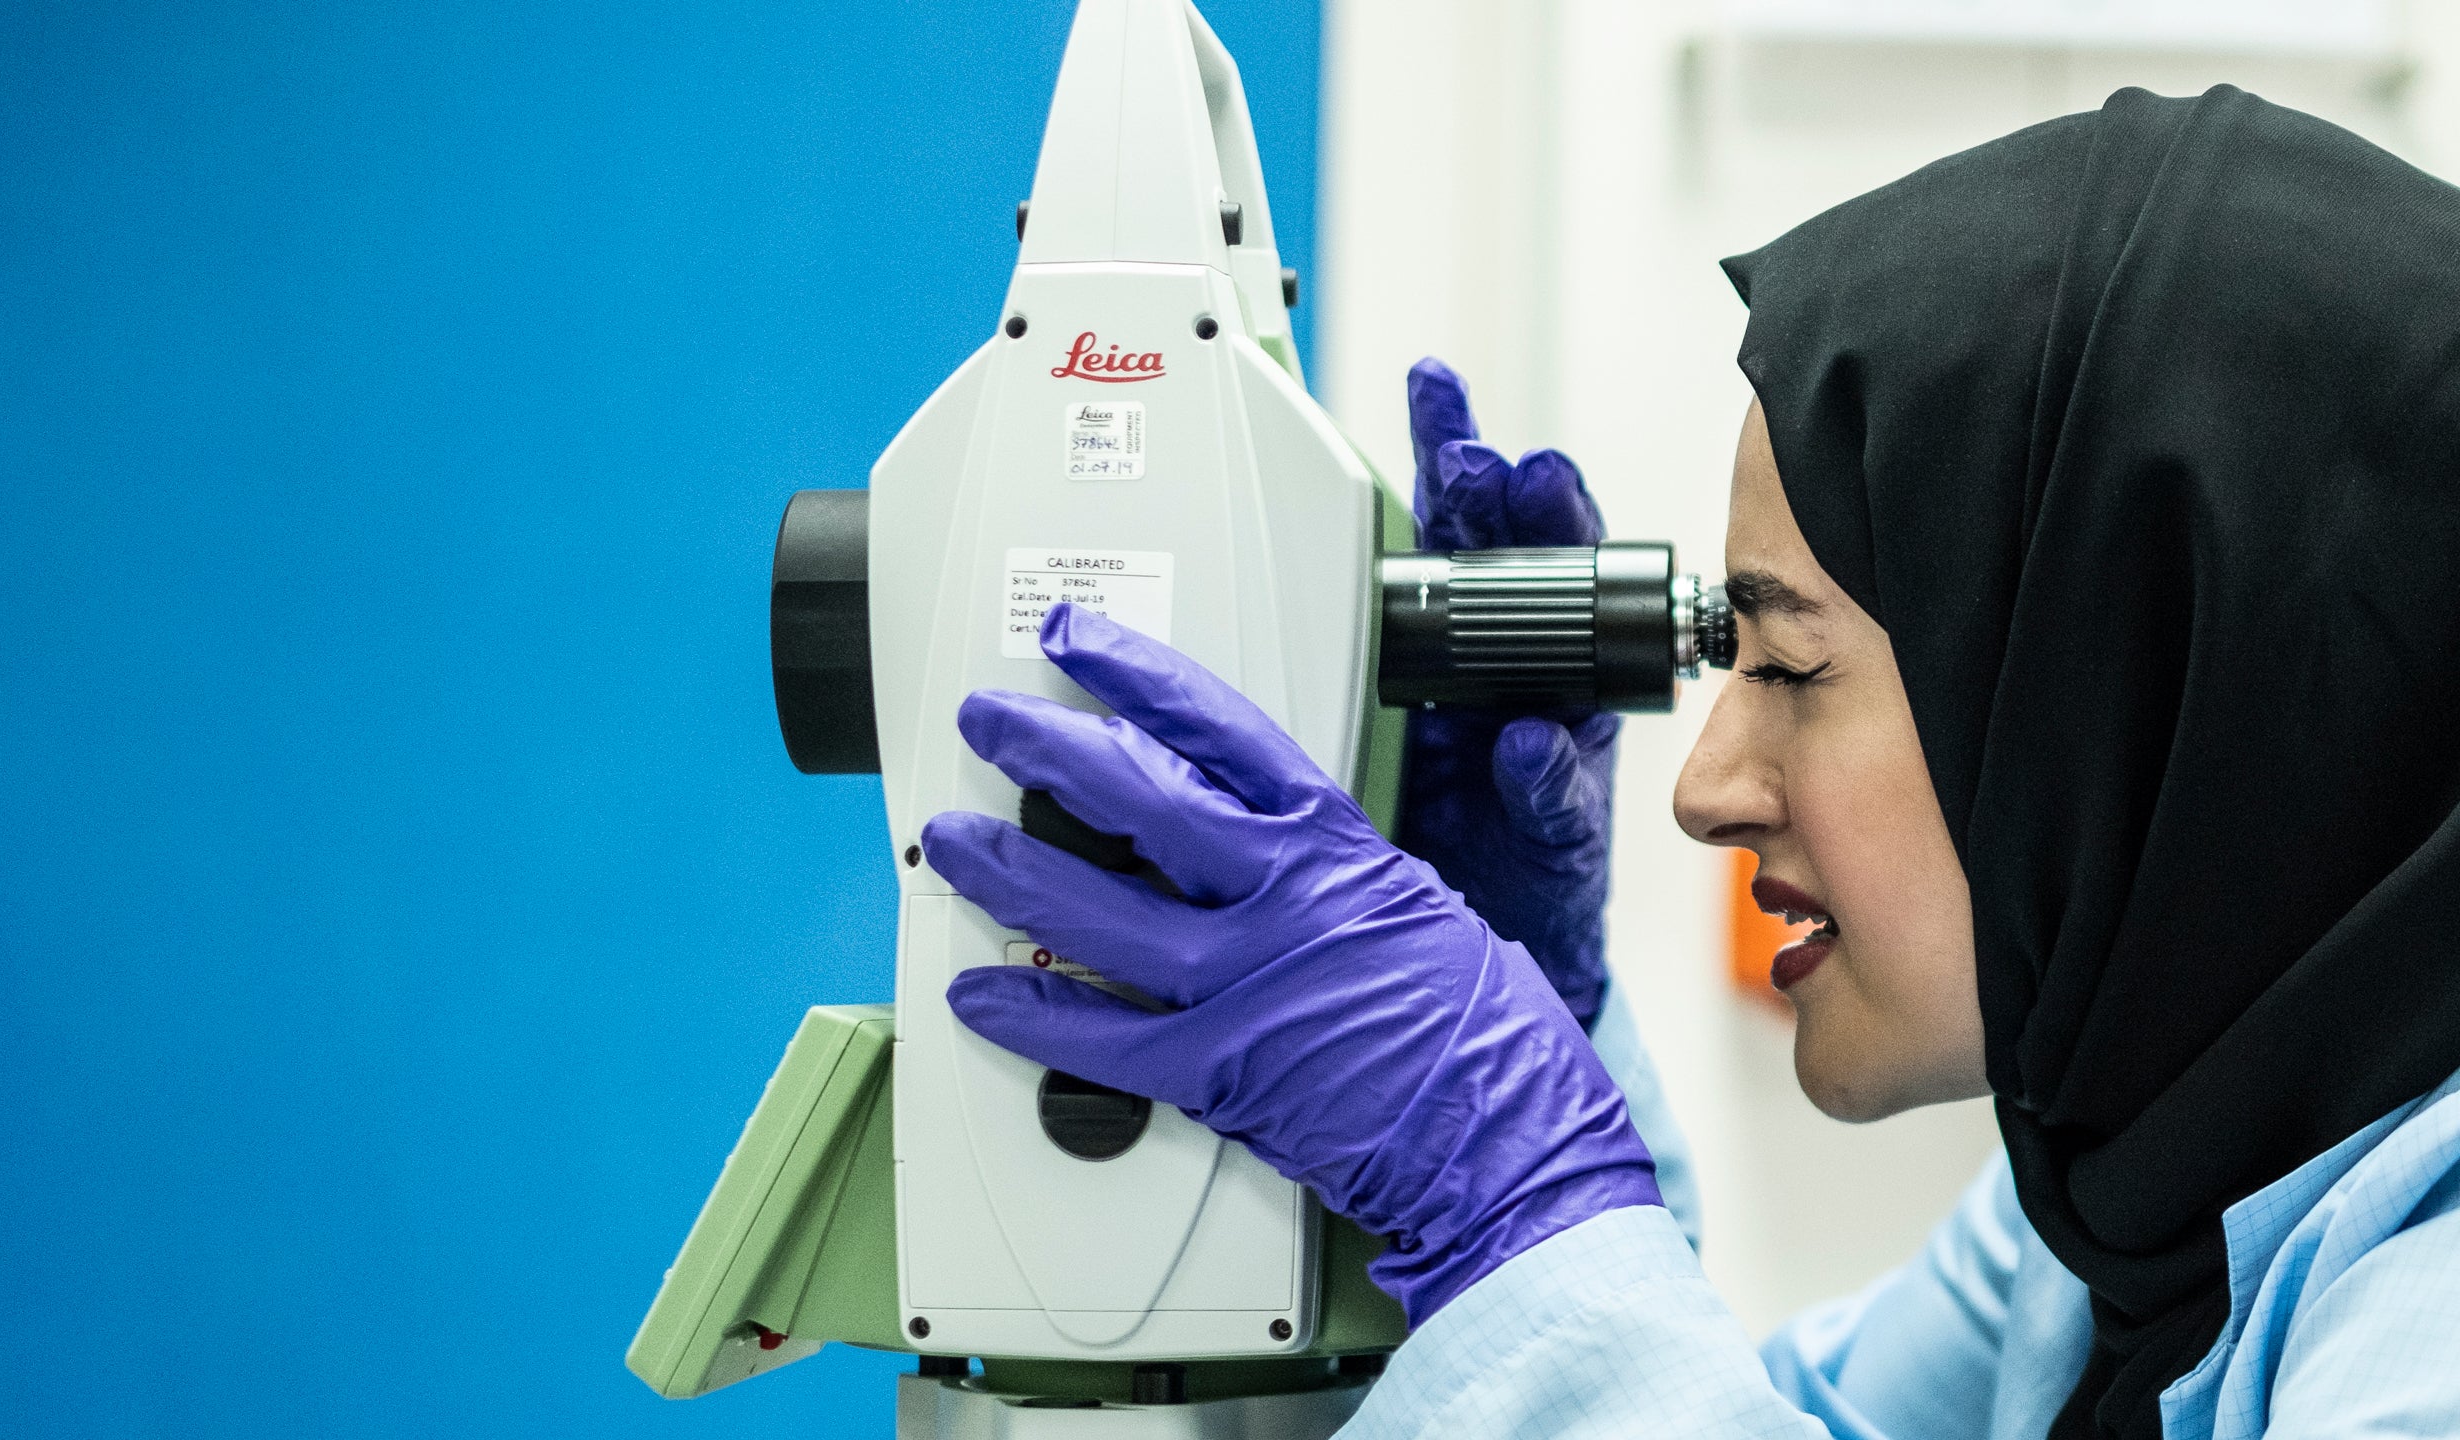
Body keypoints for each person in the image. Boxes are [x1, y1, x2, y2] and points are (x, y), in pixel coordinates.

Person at [919, 84, 2460, 1439]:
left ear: (2126, 692)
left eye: (1791, 667)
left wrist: (1508, 1185)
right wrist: (1544, 1037)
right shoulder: (2133, 1205)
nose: (1700, 786)